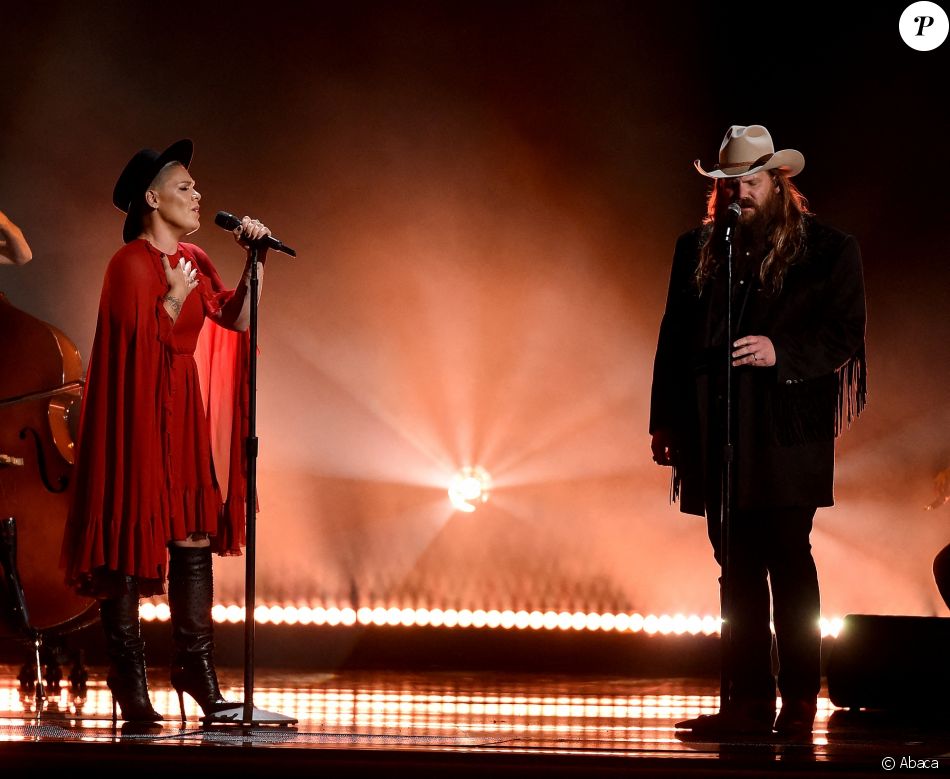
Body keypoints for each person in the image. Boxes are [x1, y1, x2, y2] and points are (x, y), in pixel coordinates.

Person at [649, 125, 867, 737]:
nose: (737, 195)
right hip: (715, 430)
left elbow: (845, 331)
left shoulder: (827, 249)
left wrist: (781, 352)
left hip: (784, 435)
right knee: (734, 567)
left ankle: (798, 697)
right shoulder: (697, 251)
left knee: (788, 562)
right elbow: (672, 339)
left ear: (777, 181)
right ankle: (745, 701)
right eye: (727, 185)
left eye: (748, 182)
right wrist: (664, 420)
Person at [60, 139, 273, 724]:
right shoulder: (127, 263)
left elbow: (235, 318)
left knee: (193, 539)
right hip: (136, 414)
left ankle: (195, 672)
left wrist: (253, 259)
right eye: (185, 187)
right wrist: (173, 300)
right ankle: (128, 682)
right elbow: (133, 353)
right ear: (152, 199)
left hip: (183, 410)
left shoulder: (197, 258)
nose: (197, 194)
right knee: (131, 543)